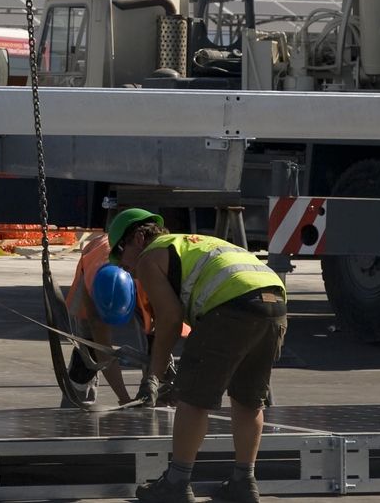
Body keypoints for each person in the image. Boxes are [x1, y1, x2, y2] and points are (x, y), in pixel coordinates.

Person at [109, 209, 287, 503]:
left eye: (119, 254)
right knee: (248, 399)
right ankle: (244, 482)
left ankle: (176, 483)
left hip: (231, 306)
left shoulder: (149, 258)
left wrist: (153, 377)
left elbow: (170, 320)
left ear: (138, 238)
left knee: (193, 400)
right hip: (274, 304)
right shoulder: (191, 243)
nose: (124, 267)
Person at [62, 228, 156, 406]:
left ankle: (155, 390)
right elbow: (102, 348)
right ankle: (78, 395)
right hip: (93, 262)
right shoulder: (92, 288)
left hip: (131, 273)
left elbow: (163, 334)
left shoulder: (149, 281)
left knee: (156, 342)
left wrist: (151, 384)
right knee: (89, 350)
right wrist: (124, 398)